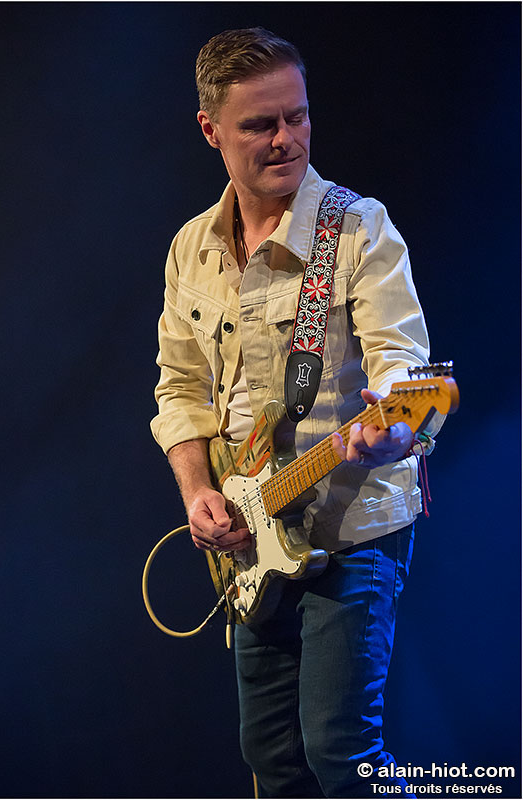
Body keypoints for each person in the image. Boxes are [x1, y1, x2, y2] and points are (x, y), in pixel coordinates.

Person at [151, 27, 442, 799]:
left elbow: (401, 364)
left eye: (297, 115)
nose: (286, 139)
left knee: (340, 751)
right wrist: (197, 493)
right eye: (259, 124)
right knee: (271, 757)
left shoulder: (359, 228)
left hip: (352, 524)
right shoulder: (191, 249)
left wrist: (394, 426)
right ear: (210, 129)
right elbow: (178, 389)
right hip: (252, 537)